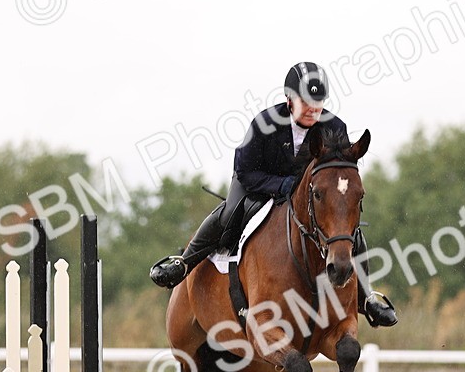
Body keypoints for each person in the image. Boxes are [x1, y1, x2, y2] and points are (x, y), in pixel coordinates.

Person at [149, 62, 398, 328]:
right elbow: (245, 171)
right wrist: (282, 186)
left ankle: (367, 297)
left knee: (349, 231)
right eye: (306, 101)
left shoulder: (335, 126)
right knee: (229, 214)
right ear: (289, 100)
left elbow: (339, 174)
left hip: (308, 195)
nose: (314, 108)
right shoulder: (265, 123)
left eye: (319, 101)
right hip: (257, 182)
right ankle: (184, 264)